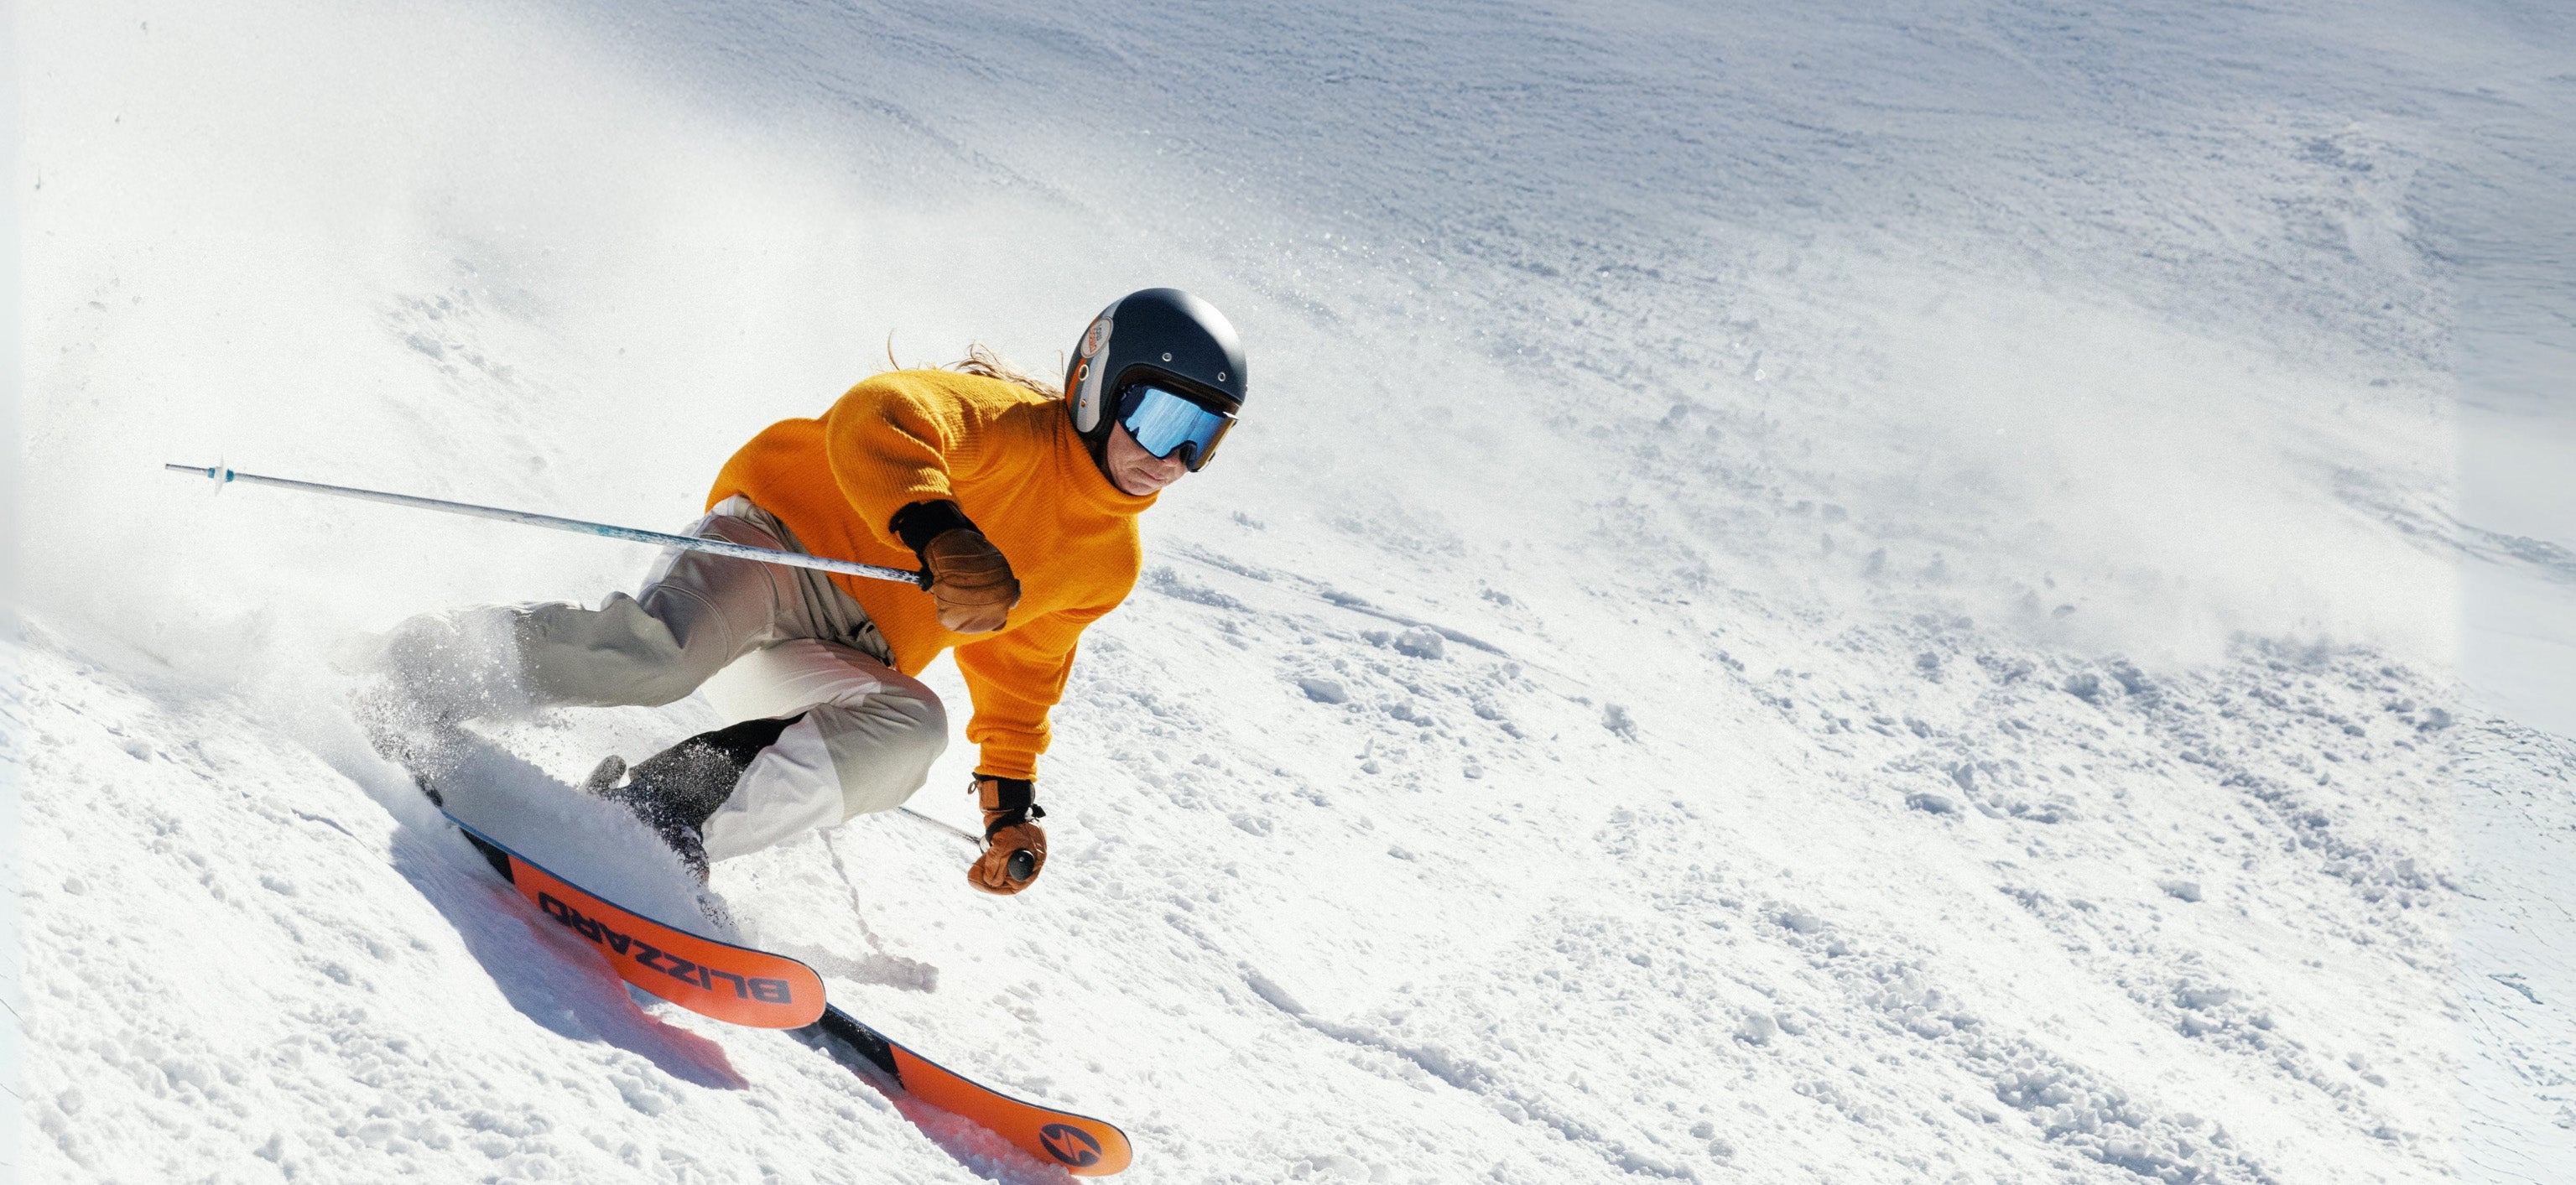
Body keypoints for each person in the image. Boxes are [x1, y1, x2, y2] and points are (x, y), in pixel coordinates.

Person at [366, 288, 1246, 895]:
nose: (1168, 459)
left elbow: (1023, 671)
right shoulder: (1004, 424)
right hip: (775, 549)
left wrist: (1008, 806)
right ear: (1097, 383)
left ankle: (656, 819)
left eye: (1199, 438)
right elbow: (877, 413)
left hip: (839, 654)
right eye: (1157, 417)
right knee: (660, 660)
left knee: (911, 731)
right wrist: (935, 528)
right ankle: (420, 665)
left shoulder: (1107, 560)